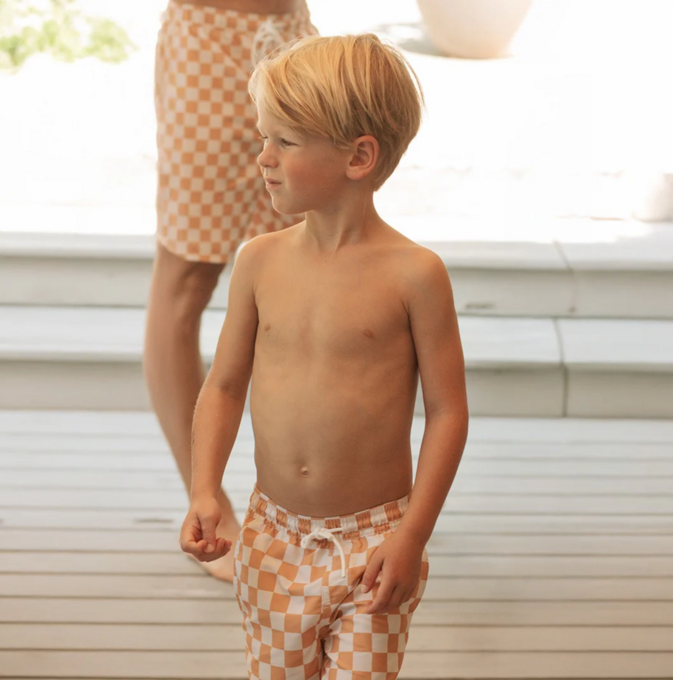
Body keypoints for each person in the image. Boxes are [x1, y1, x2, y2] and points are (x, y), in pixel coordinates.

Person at [180, 33, 470, 677]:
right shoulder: (259, 261)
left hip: (376, 540)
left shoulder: (415, 275)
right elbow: (224, 386)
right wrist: (205, 489)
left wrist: (412, 535)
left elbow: (448, 412)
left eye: (283, 141)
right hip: (271, 536)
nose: (263, 158)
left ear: (358, 156)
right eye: (264, 138)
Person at [144, 0, 318, 583]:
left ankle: (312, 502)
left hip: (291, 37)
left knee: (314, 267)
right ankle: (210, 507)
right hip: (206, 41)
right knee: (187, 275)